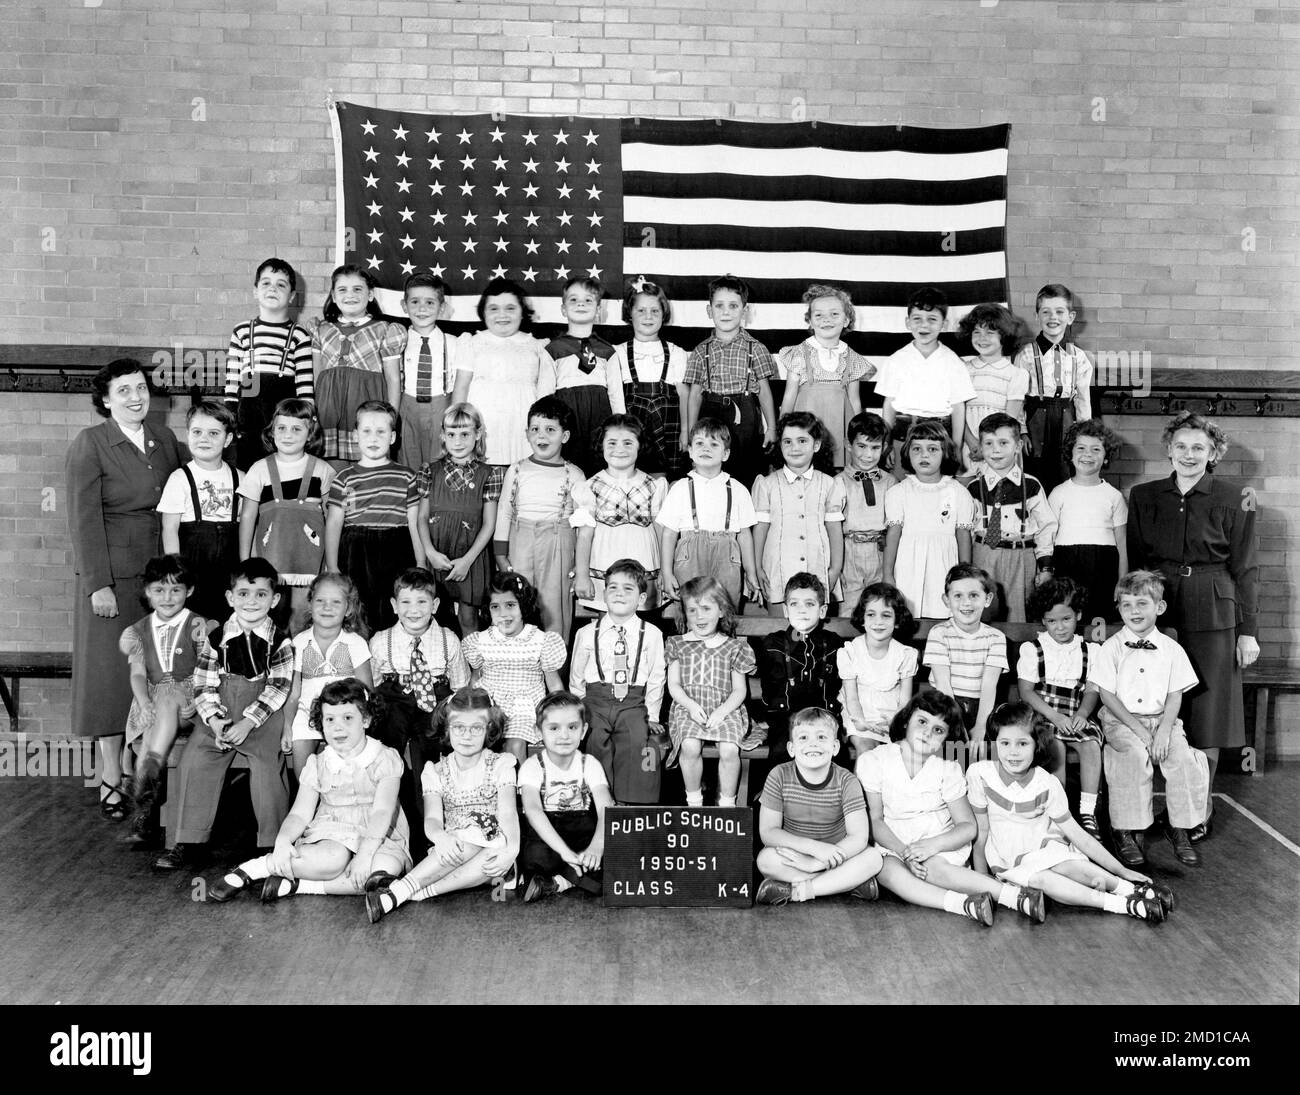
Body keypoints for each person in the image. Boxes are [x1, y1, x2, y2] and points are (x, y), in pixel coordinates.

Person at [1126, 411, 1259, 842]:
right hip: (1158, 608)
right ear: (1168, 449)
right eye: (1181, 446)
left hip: (1215, 608)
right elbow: (1137, 562)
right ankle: (1151, 807)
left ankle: (1197, 812)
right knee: (1155, 704)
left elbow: (1246, 568)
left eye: (1198, 447)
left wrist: (1249, 631)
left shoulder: (1234, 496)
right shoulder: (1144, 495)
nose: (1188, 454)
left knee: (1208, 711)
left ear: (1213, 453)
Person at [66, 358, 184, 820]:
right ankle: (110, 780)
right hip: (112, 578)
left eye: (140, 388)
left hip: (158, 578)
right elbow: (82, 519)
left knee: (157, 675)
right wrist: (98, 584)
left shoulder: (166, 439)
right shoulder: (91, 443)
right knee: (110, 681)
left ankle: (145, 777)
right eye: (124, 391)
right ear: (106, 400)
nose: (136, 397)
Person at [205, 679, 411, 903]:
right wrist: (283, 842)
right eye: (329, 719)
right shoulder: (318, 763)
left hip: (379, 831)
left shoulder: (384, 757)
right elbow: (299, 813)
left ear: (367, 719)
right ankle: (254, 869)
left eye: (348, 718)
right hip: (333, 831)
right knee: (332, 860)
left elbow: (382, 812)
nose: (337, 727)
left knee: (381, 873)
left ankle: (303, 885)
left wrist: (366, 853)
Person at [968, 703, 1171, 923]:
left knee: (1068, 865)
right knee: (1043, 879)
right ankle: (1125, 905)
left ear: (1037, 745)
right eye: (1005, 743)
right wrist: (983, 879)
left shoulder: (1047, 783)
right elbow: (981, 831)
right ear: (994, 743)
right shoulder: (980, 774)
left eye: (1023, 743)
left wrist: (1121, 870)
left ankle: (1129, 889)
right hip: (1006, 858)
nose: (1013, 752)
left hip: (1042, 845)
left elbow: (1078, 835)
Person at [857, 691, 1045, 926]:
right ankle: (965, 905)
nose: (927, 733)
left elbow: (967, 826)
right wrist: (906, 853)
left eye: (938, 730)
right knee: (887, 872)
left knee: (933, 868)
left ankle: (1016, 897)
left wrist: (932, 846)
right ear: (906, 721)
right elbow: (875, 820)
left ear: (946, 738)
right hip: (893, 842)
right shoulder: (874, 760)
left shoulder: (947, 766)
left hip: (938, 842)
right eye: (922, 722)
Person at [155, 558, 293, 871]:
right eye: (243, 593)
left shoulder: (280, 641)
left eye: (260, 594)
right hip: (221, 712)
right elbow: (204, 685)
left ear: (274, 600)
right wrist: (216, 721)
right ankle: (187, 841)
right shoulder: (216, 639)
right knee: (195, 760)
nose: (251, 601)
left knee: (269, 770)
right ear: (230, 598)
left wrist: (247, 722)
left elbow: (279, 688)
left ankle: (274, 844)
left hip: (262, 716)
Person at [365, 687, 520, 923]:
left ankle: (407, 891)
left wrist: (512, 850)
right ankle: (416, 891)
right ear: (447, 728)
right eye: (459, 727)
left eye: (476, 728)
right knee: (462, 843)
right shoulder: (436, 771)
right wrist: (441, 837)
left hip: (495, 860)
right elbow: (433, 820)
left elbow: (508, 813)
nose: (466, 735)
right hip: (452, 851)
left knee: (486, 844)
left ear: (489, 729)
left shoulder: (501, 765)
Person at [1091, 570, 1209, 869]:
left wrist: (1163, 731)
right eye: (1126, 604)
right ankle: (1126, 831)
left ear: (1159, 607)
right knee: (1130, 758)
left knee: (1183, 758)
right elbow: (1107, 697)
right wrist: (1143, 735)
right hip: (1122, 721)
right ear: (1118, 608)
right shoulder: (1111, 648)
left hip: (1163, 720)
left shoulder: (1172, 650)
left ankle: (1178, 826)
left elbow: (1174, 696)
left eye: (1142, 603)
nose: (1134, 611)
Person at [369, 567, 470, 852]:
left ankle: (433, 833)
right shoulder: (380, 641)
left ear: (435, 605)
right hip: (396, 695)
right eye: (406, 602)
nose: (414, 610)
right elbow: (374, 684)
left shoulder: (449, 639)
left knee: (430, 759)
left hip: (435, 697)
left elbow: (460, 685)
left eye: (422, 602)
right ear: (393, 605)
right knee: (389, 750)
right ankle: (393, 827)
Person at [754, 708, 884, 906]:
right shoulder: (778, 775)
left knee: (873, 858)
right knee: (765, 860)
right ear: (791, 748)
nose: (812, 743)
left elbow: (858, 836)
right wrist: (813, 848)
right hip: (796, 853)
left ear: (835, 747)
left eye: (821, 737)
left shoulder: (847, 781)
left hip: (837, 855)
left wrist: (817, 863)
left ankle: (798, 890)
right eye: (803, 737)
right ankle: (845, 884)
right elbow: (768, 833)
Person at [569, 560, 668, 805]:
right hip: (595, 700)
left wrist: (653, 714)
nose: (619, 594)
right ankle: (601, 801)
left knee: (637, 739)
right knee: (593, 739)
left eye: (628, 589)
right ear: (604, 594)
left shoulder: (652, 633)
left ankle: (633, 804)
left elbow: (657, 676)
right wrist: (581, 703)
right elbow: (577, 673)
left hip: (634, 702)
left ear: (641, 597)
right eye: (612, 588)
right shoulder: (587, 632)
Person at [120, 555, 209, 824]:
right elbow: (137, 675)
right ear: (147, 592)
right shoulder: (137, 631)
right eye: (159, 590)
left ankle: (145, 783)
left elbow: (208, 671)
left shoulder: (198, 626)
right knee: (150, 727)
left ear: (189, 591)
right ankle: (145, 812)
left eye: (175, 590)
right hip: (153, 700)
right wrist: (144, 703)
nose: (167, 597)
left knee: (168, 700)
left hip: (191, 701)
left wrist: (201, 698)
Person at [323, 400, 423, 632]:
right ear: (355, 435)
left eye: (381, 432)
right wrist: (332, 565)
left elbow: (414, 522)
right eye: (366, 431)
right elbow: (334, 523)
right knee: (359, 611)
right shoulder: (344, 478)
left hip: (396, 547)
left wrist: (419, 562)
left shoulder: (406, 476)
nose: (374, 438)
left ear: (392, 437)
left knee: (392, 609)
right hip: (356, 550)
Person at [1017, 578, 1105, 838]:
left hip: (1074, 715)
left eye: (1066, 619)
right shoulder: (1034, 649)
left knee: (1090, 743)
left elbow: (1091, 690)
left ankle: (1088, 812)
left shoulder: (1089, 650)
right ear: (1043, 621)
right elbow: (1026, 692)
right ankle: (1059, 813)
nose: (1060, 627)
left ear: (1078, 614)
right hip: (1043, 714)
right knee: (1055, 745)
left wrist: (1081, 714)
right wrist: (1054, 716)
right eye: (1052, 621)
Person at [237, 398, 333, 633]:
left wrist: (332, 563)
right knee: (271, 622)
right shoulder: (259, 469)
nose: (288, 435)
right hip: (270, 562)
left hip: (308, 564)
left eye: (296, 429)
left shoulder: (323, 470)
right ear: (272, 432)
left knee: (302, 620)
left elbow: (333, 519)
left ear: (310, 434)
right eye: (281, 428)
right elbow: (248, 517)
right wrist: (246, 561)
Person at [493, 396, 584, 638]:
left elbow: (582, 524)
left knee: (554, 607)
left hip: (558, 544)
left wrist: (578, 564)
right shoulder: (517, 469)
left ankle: (555, 668)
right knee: (518, 602)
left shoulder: (574, 474)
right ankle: (516, 663)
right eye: (535, 429)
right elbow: (504, 511)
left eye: (550, 430)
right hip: (521, 541)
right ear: (527, 433)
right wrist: (501, 554)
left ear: (564, 436)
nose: (541, 436)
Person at [665, 576, 756, 808]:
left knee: (728, 749)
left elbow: (739, 691)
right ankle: (694, 802)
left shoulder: (735, 647)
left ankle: (727, 805)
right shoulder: (677, 644)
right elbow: (674, 685)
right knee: (690, 745)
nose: (699, 616)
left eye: (706, 608)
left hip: (725, 708)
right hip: (689, 708)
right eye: (692, 610)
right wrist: (691, 706)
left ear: (722, 610)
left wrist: (722, 712)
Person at [416, 403, 504, 636]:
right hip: (437, 554)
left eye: (465, 434)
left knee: (468, 618)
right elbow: (422, 517)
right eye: (451, 434)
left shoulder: (490, 473)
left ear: (478, 434)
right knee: (437, 617)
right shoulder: (429, 470)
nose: (458, 441)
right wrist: (430, 553)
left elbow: (489, 524)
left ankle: (473, 671)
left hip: (471, 556)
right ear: (443, 436)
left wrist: (467, 560)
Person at [683, 274, 778, 486]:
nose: (726, 312)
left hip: (745, 419)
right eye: (719, 306)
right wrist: (690, 431)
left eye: (733, 306)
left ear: (744, 311)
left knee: (745, 471)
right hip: (710, 415)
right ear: (710, 311)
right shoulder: (701, 351)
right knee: (710, 471)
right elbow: (695, 396)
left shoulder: (756, 348)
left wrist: (771, 427)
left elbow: (763, 391)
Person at [462, 573, 567, 763]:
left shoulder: (540, 640)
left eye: (510, 605)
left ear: (523, 606)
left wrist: (562, 714)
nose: (503, 613)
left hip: (524, 707)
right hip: (490, 704)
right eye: (495, 607)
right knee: (476, 739)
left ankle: (518, 790)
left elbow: (554, 683)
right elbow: (475, 678)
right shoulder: (481, 641)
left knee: (515, 744)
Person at [519, 691, 613, 901]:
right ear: (538, 731)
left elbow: (606, 807)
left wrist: (596, 847)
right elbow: (533, 811)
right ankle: (574, 876)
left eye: (572, 727)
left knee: (615, 855)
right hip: (548, 834)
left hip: (583, 834)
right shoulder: (532, 766)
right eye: (554, 728)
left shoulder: (589, 764)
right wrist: (564, 852)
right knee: (535, 856)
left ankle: (558, 883)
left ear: (583, 730)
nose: (564, 735)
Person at [222, 258, 314, 472]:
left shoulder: (299, 335)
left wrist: (308, 418)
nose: (272, 288)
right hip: (249, 409)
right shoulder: (242, 331)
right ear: (255, 291)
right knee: (248, 466)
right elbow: (233, 378)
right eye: (266, 283)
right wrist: (231, 412)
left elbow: (305, 385)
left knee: (283, 466)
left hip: (283, 410)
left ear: (291, 296)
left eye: (281, 284)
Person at [658, 418, 760, 610]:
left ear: (726, 454)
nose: (706, 448)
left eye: (714, 444)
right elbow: (669, 534)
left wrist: (750, 572)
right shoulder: (679, 488)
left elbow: (745, 535)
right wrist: (666, 572)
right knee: (691, 611)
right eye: (699, 443)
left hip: (727, 555)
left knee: (725, 611)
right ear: (690, 451)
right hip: (689, 555)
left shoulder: (738, 489)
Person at [964, 412, 1057, 623]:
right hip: (984, 555)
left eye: (1003, 443)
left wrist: (1046, 567)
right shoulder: (973, 488)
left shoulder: (1031, 485)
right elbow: (967, 531)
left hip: (1021, 556)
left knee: (1020, 616)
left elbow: (1046, 527)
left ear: (1017, 447)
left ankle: (1019, 654)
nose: (995, 450)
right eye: (988, 443)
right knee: (983, 613)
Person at [571, 415, 668, 614]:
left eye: (628, 443)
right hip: (604, 565)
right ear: (602, 446)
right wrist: (582, 575)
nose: (620, 449)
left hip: (646, 566)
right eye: (612, 443)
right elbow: (585, 536)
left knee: (644, 627)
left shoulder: (654, 485)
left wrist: (665, 571)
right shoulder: (590, 486)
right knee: (607, 624)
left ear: (640, 446)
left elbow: (660, 531)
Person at [751, 412, 846, 615]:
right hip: (778, 571)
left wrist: (835, 569)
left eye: (802, 440)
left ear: (816, 445)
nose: (794, 448)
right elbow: (760, 529)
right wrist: (757, 567)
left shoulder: (829, 484)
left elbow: (834, 529)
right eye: (787, 441)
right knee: (779, 632)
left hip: (817, 568)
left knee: (815, 631)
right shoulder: (767, 484)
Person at [882, 420, 976, 620]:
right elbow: (893, 535)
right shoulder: (898, 492)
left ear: (945, 453)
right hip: (908, 566)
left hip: (944, 565)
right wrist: (888, 574)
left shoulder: (958, 492)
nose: (924, 455)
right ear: (907, 452)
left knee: (943, 617)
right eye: (917, 449)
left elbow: (963, 535)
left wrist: (965, 576)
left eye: (933, 449)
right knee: (907, 618)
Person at [281, 573, 372, 779]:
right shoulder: (300, 642)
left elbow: (367, 690)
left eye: (336, 602)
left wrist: (362, 720)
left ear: (348, 609)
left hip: (343, 712)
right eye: (320, 601)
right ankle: (309, 801)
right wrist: (287, 727)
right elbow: (294, 694)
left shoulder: (355, 643)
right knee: (304, 773)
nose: (327, 607)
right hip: (307, 712)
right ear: (310, 604)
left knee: (346, 772)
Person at [158, 400, 241, 625]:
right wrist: (176, 573)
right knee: (194, 627)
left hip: (229, 570)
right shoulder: (179, 478)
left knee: (227, 627)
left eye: (214, 433)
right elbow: (170, 528)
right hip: (192, 568)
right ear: (187, 435)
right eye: (197, 432)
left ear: (228, 439)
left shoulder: (241, 478)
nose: (204, 438)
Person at [312, 264, 404, 464]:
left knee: (369, 467)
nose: (350, 295)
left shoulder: (384, 330)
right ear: (334, 296)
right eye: (342, 290)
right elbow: (317, 377)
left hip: (368, 410)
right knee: (331, 469)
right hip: (329, 412)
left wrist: (391, 419)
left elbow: (393, 379)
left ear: (370, 295)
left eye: (357, 289)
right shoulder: (321, 330)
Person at [457, 277, 552, 468]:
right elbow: (461, 388)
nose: (502, 315)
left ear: (522, 312)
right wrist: (459, 430)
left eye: (510, 308)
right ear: (483, 312)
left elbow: (545, 396)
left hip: (522, 426)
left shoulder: (538, 347)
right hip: (485, 425)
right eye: (493, 308)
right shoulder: (472, 343)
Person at [776, 284, 873, 468]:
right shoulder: (799, 354)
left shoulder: (851, 358)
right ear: (810, 321)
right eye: (819, 315)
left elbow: (855, 401)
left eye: (834, 314)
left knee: (836, 477)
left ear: (846, 320)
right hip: (805, 432)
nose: (826, 319)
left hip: (839, 429)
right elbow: (789, 396)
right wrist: (783, 433)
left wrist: (860, 437)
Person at [755, 574, 845, 761]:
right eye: (795, 604)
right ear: (786, 610)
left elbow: (838, 685)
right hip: (784, 718)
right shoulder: (773, 644)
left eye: (810, 604)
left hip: (823, 716)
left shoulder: (834, 643)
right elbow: (767, 687)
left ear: (822, 611)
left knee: (835, 752)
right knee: (782, 749)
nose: (802, 610)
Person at [1013, 283, 1094, 491]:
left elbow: (1083, 400)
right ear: (1037, 315)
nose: (1053, 317)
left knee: (1065, 474)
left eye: (1060, 311)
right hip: (1035, 421)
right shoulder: (1026, 355)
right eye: (1046, 312)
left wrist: (1084, 434)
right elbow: (1017, 398)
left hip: (1067, 419)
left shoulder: (1079, 357)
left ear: (1071, 317)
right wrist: (1021, 431)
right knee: (1034, 475)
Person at [873, 286, 975, 450]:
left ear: (944, 324)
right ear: (908, 322)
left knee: (941, 476)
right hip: (903, 437)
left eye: (932, 319)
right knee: (903, 476)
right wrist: (888, 443)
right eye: (917, 319)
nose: (924, 325)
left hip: (941, 438)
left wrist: (956, 447)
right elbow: (889, 404)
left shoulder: (953, 362)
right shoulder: (896, 360)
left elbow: (958, 407)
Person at [543, 276, 626, 475]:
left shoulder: (608, 351)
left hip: (600, 416)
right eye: (573, 299)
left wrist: (621, 427)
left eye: (588, 300)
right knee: (568, 469)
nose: (581, 303)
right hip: (567, 416)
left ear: (598, 311)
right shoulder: (552, 350)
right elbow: (544, 396)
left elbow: (616, 395)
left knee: (599, 466)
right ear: (563, 309)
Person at [1048, 418, 1128, 624]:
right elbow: (1048, 538)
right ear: (1070, 453)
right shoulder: (1058, 493)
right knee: (1069, 617)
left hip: (1103, 565)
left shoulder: (1114, 496)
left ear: (1106, 456)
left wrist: (1122, 580)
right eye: (1081, 448)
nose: (1088, 455)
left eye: (1096, 450)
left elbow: (1122, 542)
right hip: (1066, 563)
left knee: (1100, 620)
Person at [923, 563, 1008, 747]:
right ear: (946, 600)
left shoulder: (996, 638)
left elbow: (989, 685)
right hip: (946, 704)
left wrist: (980, 726)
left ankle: (977, 773)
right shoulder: (939, 633)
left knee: (986, 748)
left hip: (984, 707)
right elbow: (943, 685)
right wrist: (957, 726)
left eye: (974, 595)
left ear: (988, 599)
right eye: (958, 596)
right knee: (949, 748)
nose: (966, 603)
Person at [615, 278, 690, 480]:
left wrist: (685, 431)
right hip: (632, 430)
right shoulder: (618, 353)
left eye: (655, 311)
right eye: (641, 310)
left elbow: (684, 395)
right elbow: (615, 399)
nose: (648, 316)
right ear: (629, 313)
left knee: (665, 481)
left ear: (663, 313)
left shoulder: (676, 352)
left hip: (668, 430)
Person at [838, 582, 917, 760]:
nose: (878, 622)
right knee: (867, 751)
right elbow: (851, 697)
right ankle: (862, 788)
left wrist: (896, 722)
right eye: (871, 614)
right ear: (862, 619)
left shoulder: (904, 654)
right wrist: (860, 721)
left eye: (886, 615)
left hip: (891, 715)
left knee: (899, 755)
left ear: (897, 622)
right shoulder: (851, 652)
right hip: (858, 712)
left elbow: (905, 701)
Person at [396, 272, 463, 471]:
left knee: (440, 463)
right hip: (407, 407)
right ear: (404, 305)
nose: (422, 308)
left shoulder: (454, 343)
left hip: (440, 407)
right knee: (408, 463)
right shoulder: (397, 340)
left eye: (430, 303)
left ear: (441, 308)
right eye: (415, 302)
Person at [836, 411, 893, 613]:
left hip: (880, 552)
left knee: (880, 608)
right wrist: (836, 565)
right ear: (848, 444)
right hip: (849, 552)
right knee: (849, 612)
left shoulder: (891, 482)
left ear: (884, 448)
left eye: (875, 447)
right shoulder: (837, 482)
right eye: (861, 446)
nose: (868, 455)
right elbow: (830, 528)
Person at [957, 303, 1026, 464]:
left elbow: (1009, 420)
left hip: (1001, 447)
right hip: (969, 444)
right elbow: (958, 412)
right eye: (977, 332)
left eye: (989, 332)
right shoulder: (962, 370)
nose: (982, 338)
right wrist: (974, 444)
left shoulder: (1017, 374)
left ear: (1004, 335)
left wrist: (988, 446)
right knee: (966, 487)